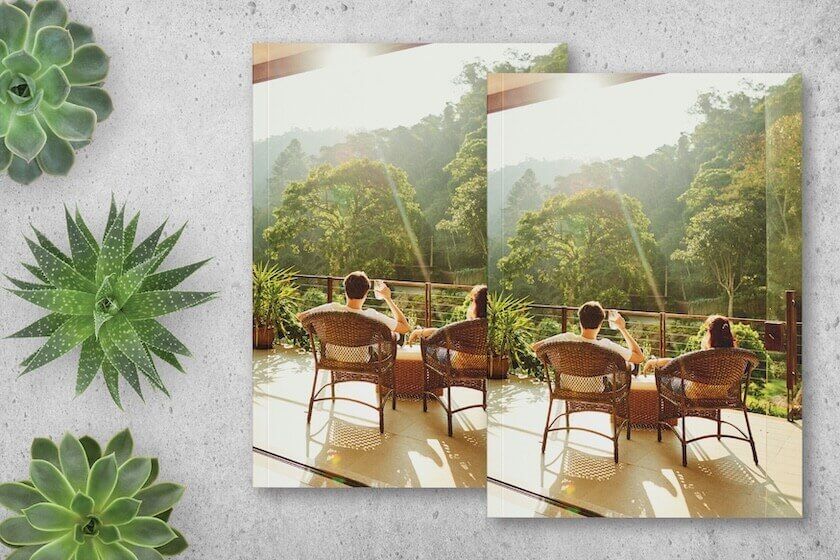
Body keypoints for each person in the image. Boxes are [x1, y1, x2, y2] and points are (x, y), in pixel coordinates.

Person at [535, 301, 644, 391]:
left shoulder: (566, 338)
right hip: (597, 391)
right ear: (600, 324)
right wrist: (622, 328)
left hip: (567, 388)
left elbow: (536, 347)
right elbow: (639, 358)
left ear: (580, 321)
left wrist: (555, 363)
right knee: (627, 368)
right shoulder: (606, 345)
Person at [297, 270, 411, 335]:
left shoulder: (332, 308)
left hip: (333, 359)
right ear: (366, 294)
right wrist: (388, 299)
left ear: (345, 292)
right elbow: (405, 328)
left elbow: (302, 317)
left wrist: (321, 333)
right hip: (363, 362)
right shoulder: (372, 315)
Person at [643, 314, 736, 374]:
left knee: (667, 377)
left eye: (706, 331)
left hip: (698, 394)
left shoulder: (704, 357)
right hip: (723, 396)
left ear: (710, 334)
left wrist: (654, 362)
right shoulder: (738, 358)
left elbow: (676, 362)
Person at [407, 284, 487, 345]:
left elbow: (441, 333)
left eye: (472, 300)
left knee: (436, 348)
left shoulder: (467, 327)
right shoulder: (492, 328)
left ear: (477, 304)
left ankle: (420, 330)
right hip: (484, 364)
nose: (470, 304)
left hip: (459, 363)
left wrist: (420, 332)